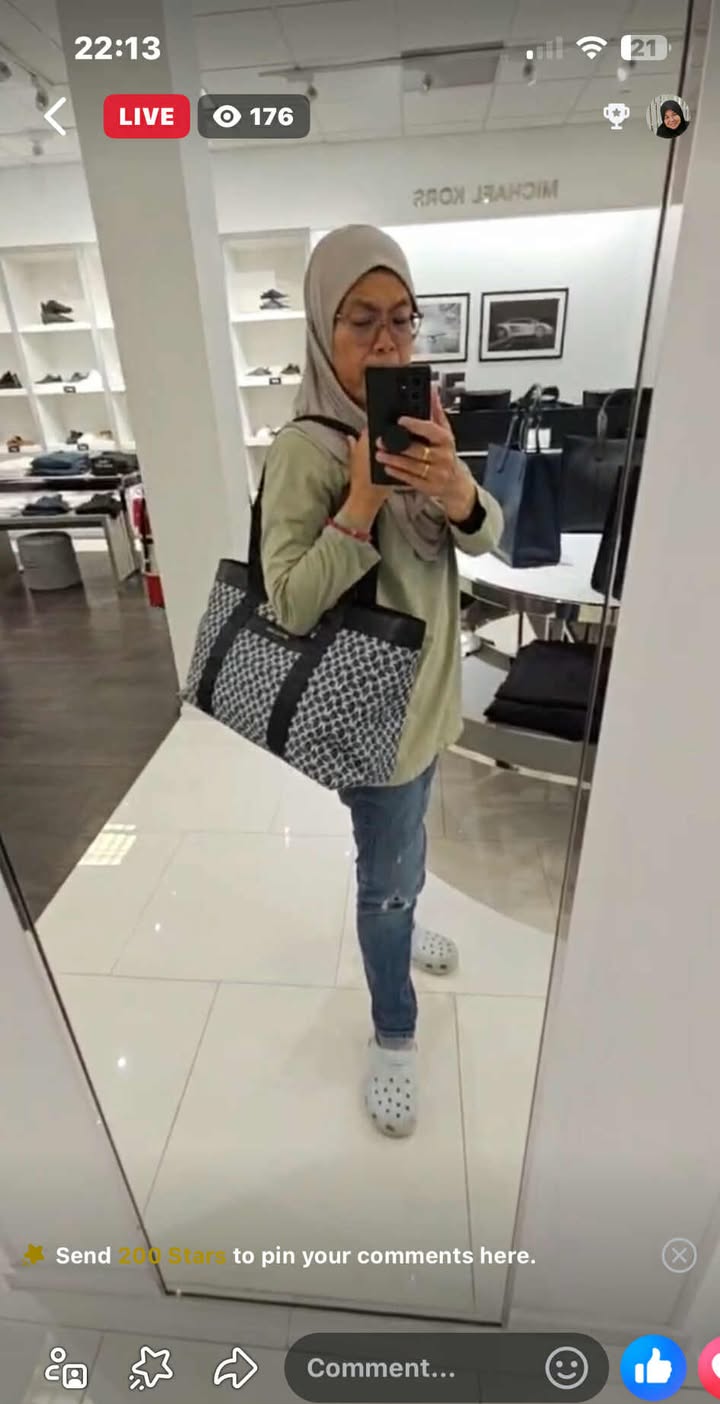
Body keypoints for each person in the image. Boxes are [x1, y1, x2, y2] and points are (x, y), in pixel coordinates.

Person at [260, 225, 502, 1139]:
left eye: (403, 319)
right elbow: (289, 601)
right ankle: (394, 1029)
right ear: (322, 327)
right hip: (372, 714)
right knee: (386, 877)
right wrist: (361, 502)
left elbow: (488, 535)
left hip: (433, 694)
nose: (388, 343)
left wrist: (456, 489)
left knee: (407, 845)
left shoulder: (422, 426)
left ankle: (404, 917)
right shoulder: (306, 451)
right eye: (361, 321)